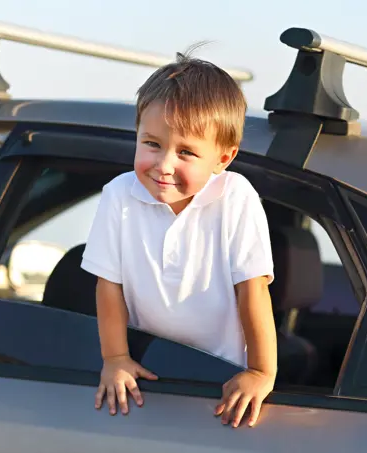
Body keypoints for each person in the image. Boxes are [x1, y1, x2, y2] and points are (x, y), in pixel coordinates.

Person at [81, 51, 277, 428]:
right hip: (149, 371)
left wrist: (260, 372)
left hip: (219, 375)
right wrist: (115, 358)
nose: (164, 165)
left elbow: (252, 289)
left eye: (186, 152)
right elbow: (109, 287)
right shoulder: (119, 195)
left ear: (223, 158)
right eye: (151, 144)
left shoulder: (235, 197)